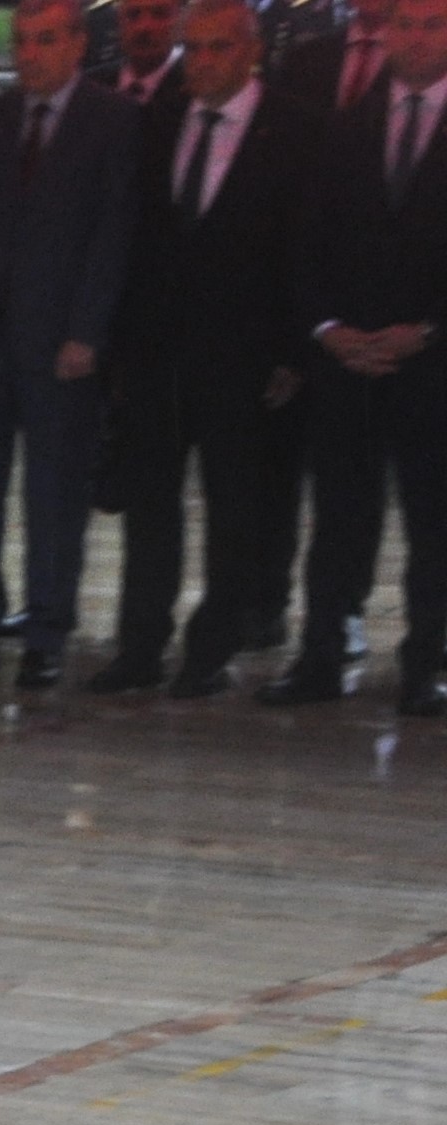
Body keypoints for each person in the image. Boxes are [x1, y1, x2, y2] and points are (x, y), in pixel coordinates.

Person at [92, 0, 318, 694]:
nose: (203, 61)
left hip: (245, 354)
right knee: (151, 505)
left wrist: (293, 351)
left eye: (219, 48)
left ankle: (210, 649)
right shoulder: (157, 122)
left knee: (235, 508)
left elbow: (308, 249)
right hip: (159, 351)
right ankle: (138, 645)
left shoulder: (297, 129)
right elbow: (134, 240)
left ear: (251, 51)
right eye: (194, 49)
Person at [0, 0, 137, 687]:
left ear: (77, 44)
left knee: (54, 495)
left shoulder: (111, 122)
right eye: (21, 41)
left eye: (46, 40)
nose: (30, 54)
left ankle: (47, 630)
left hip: (60, 342)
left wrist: (88, 330)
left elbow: (112, 235)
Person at [270, 0, 447, 713]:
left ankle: (425, 666)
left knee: (436, 523)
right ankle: (320, 656)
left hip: (434, 362)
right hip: (348, 359)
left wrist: (429, 330)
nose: (417, 37)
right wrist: (328, 326)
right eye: (407, 24)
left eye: (435, 24)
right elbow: (306, 239)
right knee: (339, 516)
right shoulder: (344, 124)